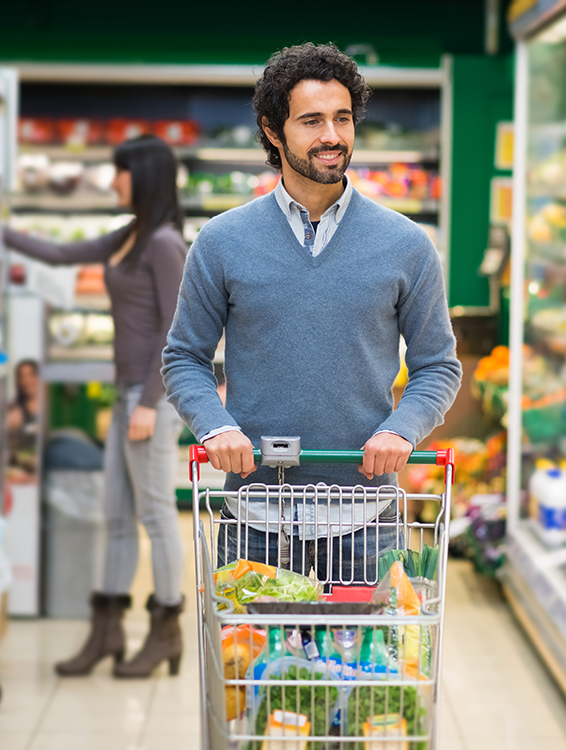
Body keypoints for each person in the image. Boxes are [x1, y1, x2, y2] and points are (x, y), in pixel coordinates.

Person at [162, 43, 462, 582]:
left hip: (367, 522)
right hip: (254, 519)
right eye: (312, 120)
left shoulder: (406, 244)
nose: (333, 136)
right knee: (251, 668)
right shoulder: (222, 240)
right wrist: (212, 427)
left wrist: (402, 430)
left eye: (343, 118)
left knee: (364, 668)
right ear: (273, 131)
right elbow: (184, 357)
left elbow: (438, 365)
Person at [4, 135, 188, 679]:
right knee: (115, 517)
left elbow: (176, 332)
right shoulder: (131, 236)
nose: (112, 182)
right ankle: (106, 631)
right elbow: (61, 254)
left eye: (120, 173)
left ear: (145, 177)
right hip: (127, 394)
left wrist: (151, 403)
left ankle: (165, 632)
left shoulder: (163, 243)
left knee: (156, 516)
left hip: (149, 400)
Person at [7, 359, 41, 483]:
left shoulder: (50, 409)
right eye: (21, 377)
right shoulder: (14, 411)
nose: (26, 381)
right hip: (22, 481)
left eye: (31, 375)